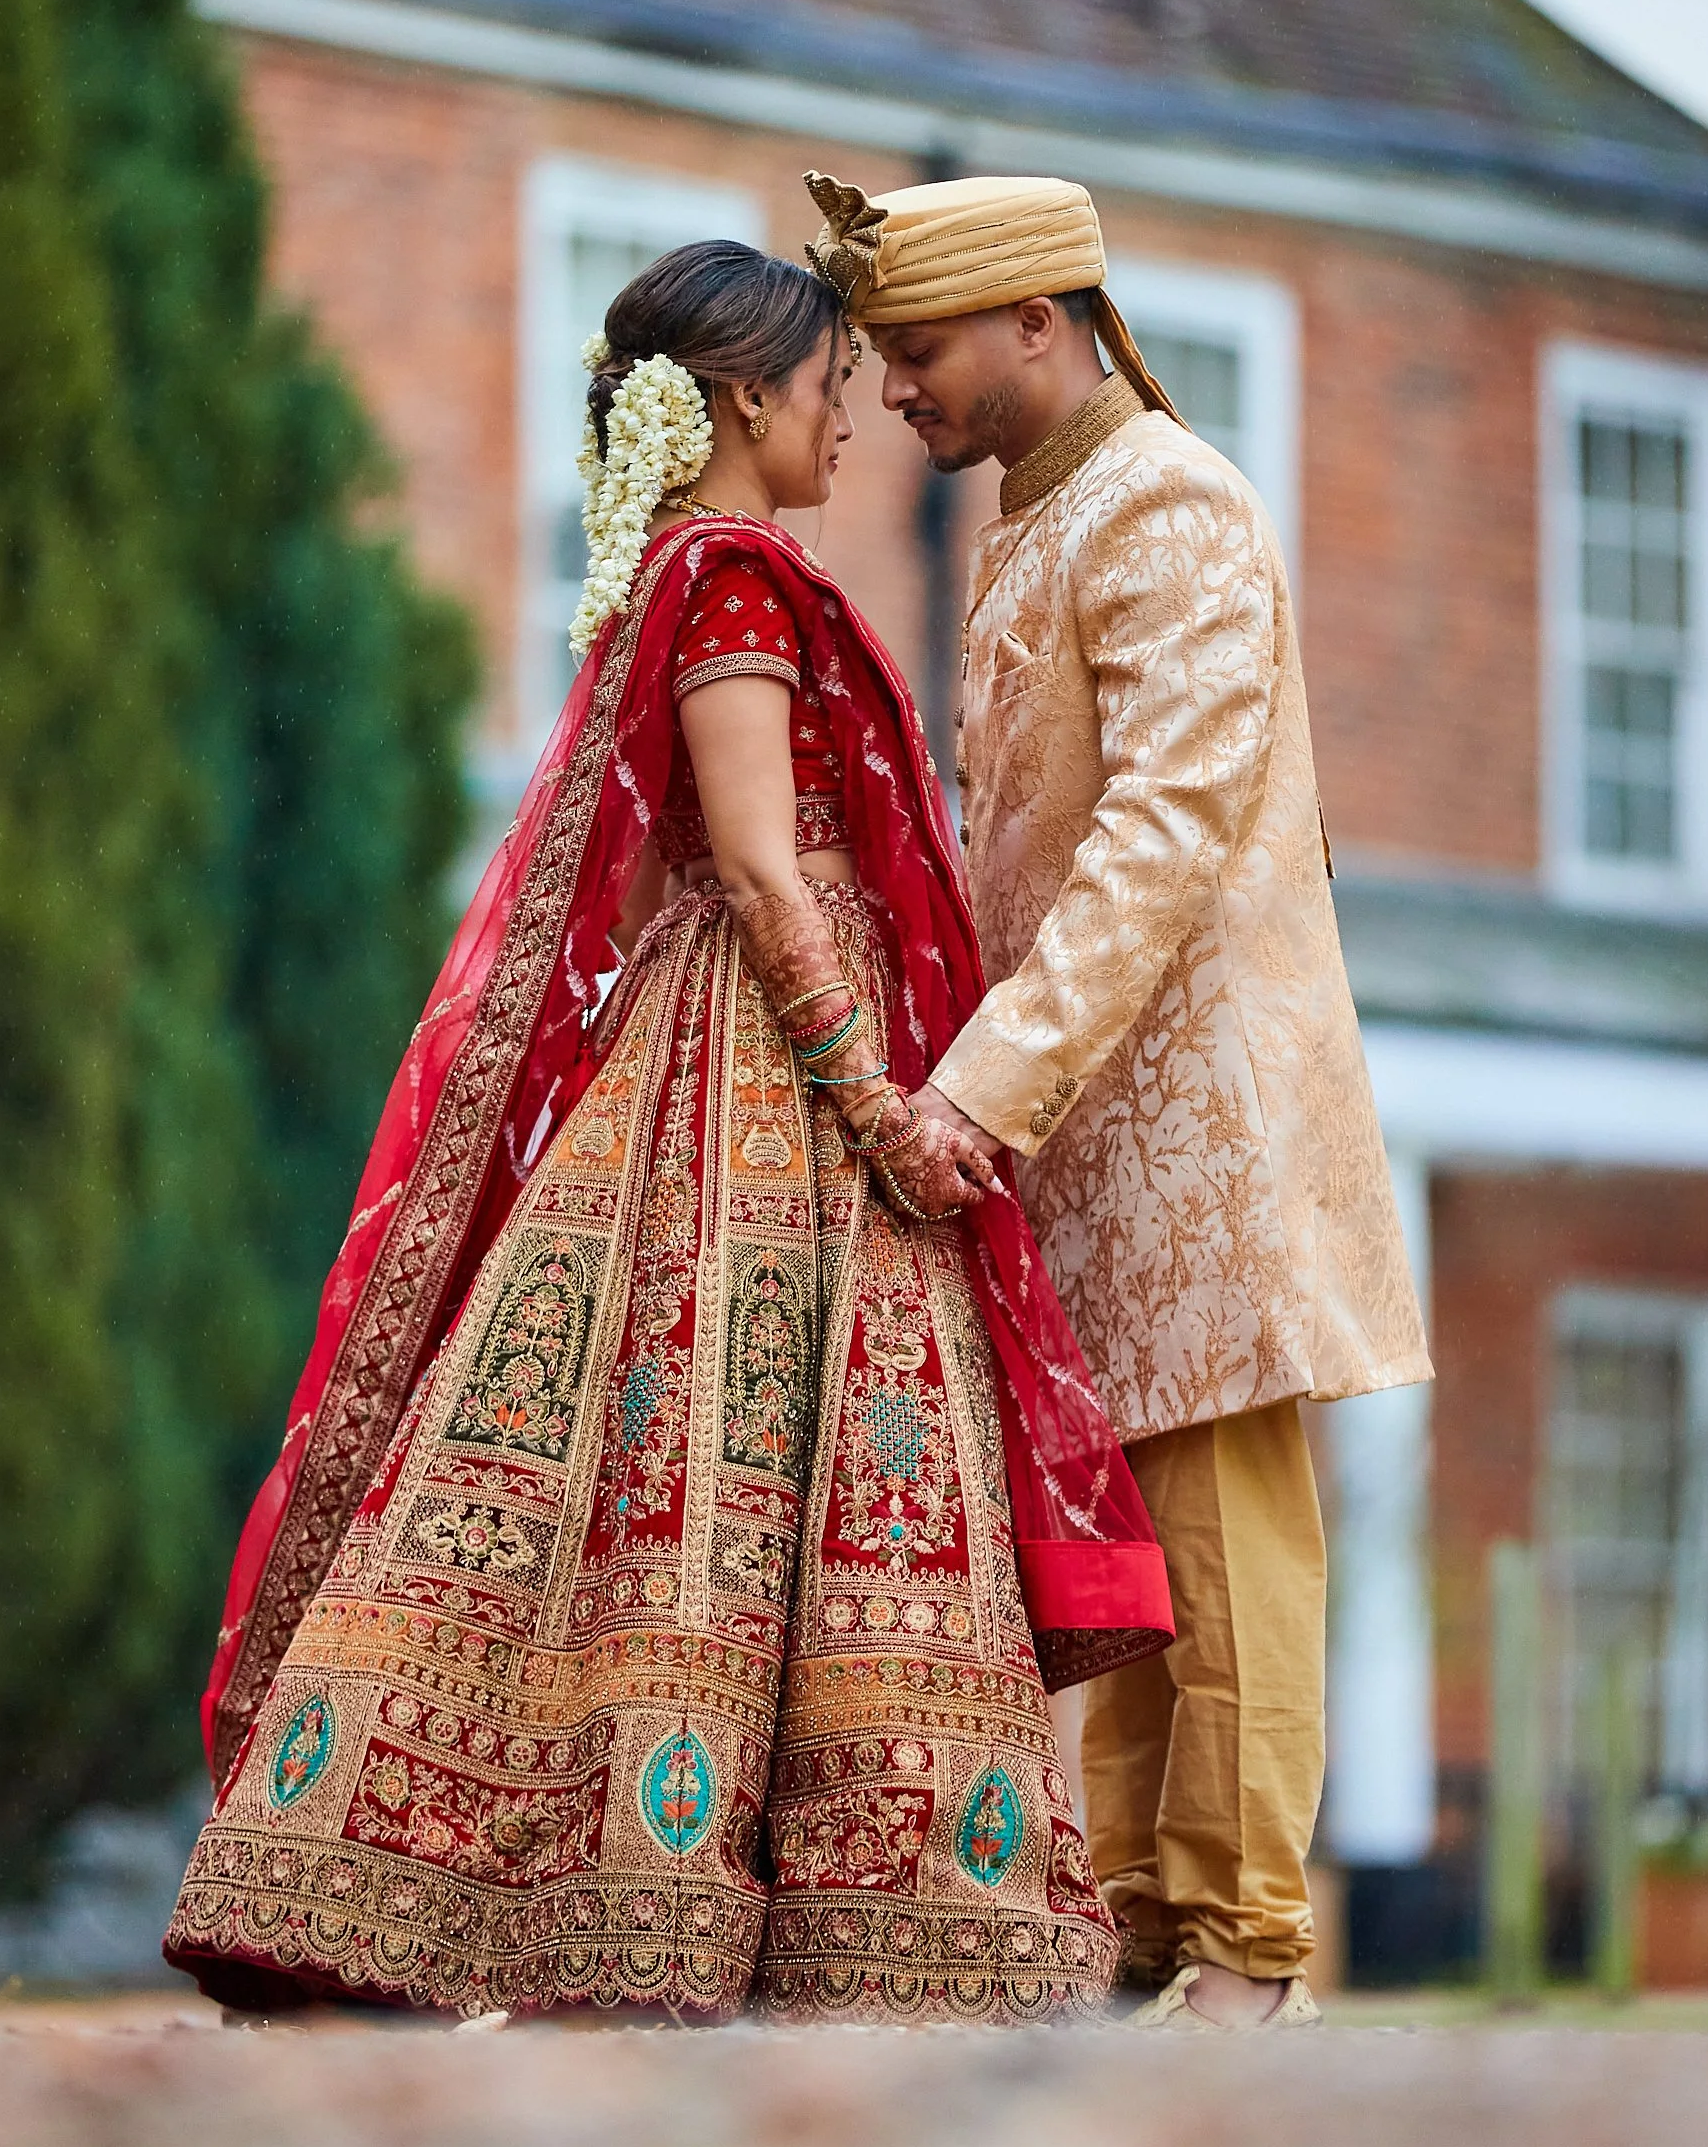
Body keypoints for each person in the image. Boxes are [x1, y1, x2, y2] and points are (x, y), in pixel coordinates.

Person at [164, 240, 1171, 2026]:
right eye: (825, 388)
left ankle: (732, 1898)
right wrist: (881, 1105)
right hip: (770, 1071)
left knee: (714, 1457)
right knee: (733, 1445)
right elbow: (768, 878)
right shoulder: (725, 580)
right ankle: (695, 1891)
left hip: (750, 1062)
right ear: (740, 402)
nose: (852, 415)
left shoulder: (700, 572)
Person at [807, 168, 1431, 2031]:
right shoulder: (1045, 520)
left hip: (1204, 1119)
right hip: (1097, 1115)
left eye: (916, 352)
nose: (897, 392)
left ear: (1035, 321)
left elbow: (1163, 833)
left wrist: (978, 1088)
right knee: (1135, 1552)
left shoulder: (1166, 501)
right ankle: (1152, 1932)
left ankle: (1245, 1952)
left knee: (1227, 1533)